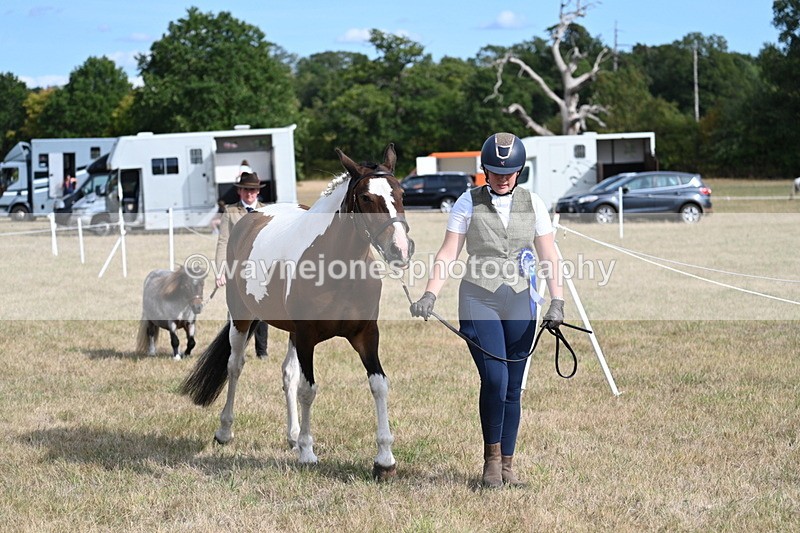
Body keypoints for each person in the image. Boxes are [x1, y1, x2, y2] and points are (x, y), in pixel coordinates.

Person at [410, 132, 565, 488]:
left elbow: (549, 255)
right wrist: (430, 293)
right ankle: (491, 461)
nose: (502, 177)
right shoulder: (467, 202)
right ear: (484, 170)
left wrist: (557, 301)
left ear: (520, 171)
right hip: (479, 296)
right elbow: (449, 252)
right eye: (495, 171)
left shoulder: (534, 203)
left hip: (521, 299)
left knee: (512, 387)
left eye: (509, 171)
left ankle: (508, 466)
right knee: (494, 379)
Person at [215, 170, 269, 359]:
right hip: (237, 269)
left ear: (258, 191)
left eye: (253, 190)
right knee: (236, 310)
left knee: (262, 310)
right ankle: (236, 349)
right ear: (240, 191)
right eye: (246, 190)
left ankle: (262, 351)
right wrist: (220, 270)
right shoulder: (230, 212)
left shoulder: (267, 210)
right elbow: (223, 241)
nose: (250, 193)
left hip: (261, 269)